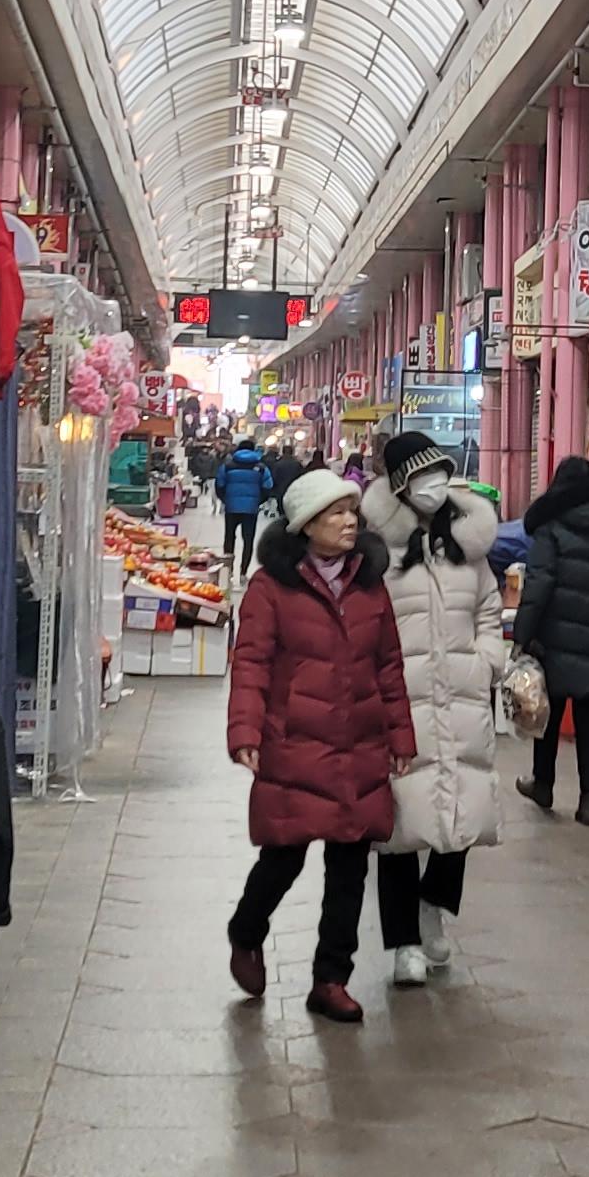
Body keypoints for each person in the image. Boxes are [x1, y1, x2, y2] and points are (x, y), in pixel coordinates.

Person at [224, 466, 416, 1022]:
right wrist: (245, 731)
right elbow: (251, 663)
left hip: (359, 745)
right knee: (283, 857)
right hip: (295, 744)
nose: (350, 522)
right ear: (306, 524)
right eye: (336, 513)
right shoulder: (271, 588)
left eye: (352, 512)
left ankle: (331, 979)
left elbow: (389, 666)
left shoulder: (369, 585)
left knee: (349, 869)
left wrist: (400, 735)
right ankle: (246, 930)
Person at [366, 429, 509, 986]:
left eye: (438, 473)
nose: (432, 485)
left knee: (464, 811)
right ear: (400, 486)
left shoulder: (468, 547)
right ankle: (403, 941)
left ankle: (434, 906)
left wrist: (488, 659)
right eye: (421, 476)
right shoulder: (380, 551)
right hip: (400, 699)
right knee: (399, 823)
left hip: (464, 697)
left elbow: (489, 609)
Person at [511, 450, 589, 827]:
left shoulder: (551, 528)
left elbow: (538, 584)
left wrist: (522, 635)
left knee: (548, 714)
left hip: (555, 637)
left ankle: (543, 784)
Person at [213, 432, 270, 572]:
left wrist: (226, 500)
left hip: (231, 508)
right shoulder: (261, 467)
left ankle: (228, 570)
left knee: (229, 538)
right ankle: (243, 571)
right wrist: (258, 501)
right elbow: (268, 487)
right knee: (248, 540)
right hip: (251, 509)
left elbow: (219, 484)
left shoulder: (228, 466)